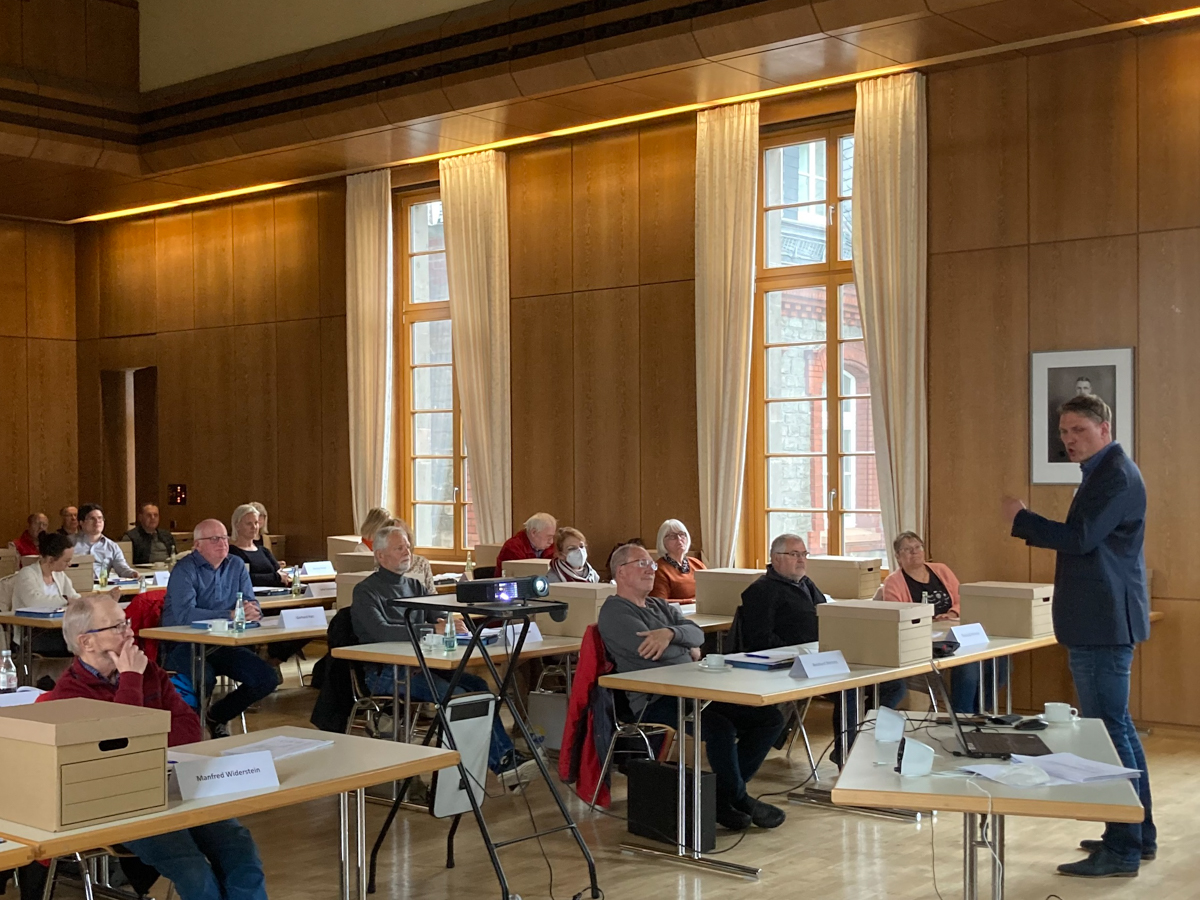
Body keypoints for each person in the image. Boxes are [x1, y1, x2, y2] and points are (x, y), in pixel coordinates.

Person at [1004, 393, 1155, 878]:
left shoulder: (1114, 475)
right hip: (1101, 617)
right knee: (1117, 728)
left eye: (1079, 431)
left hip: (1103, 621)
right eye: (1065, 432)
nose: (1070, 440)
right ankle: (1134, 832)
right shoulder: (1103, 472)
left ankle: (1125, 846)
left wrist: (1023, 520)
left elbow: (1082, 538)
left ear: (1104, 429)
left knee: (1109, 731)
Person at [40, 595, 267, 900]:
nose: (130, 632)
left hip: (175, 784)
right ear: (87, 642)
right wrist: (131, 682)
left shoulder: (149, 672)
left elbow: (188, 729)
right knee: (194, 872)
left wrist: (146, 739)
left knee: (240, 850)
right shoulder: (69, 695)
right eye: (118, 626)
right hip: (121, 803)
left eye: (127, 623)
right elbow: (121, 751)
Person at [598, 542, 786, 831]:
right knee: (719, 728)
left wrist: (670, 633)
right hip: (654, 699)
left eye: (651, 563)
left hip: (694, 688)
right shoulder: (614, 612)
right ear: (621, 572)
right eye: (642, 563)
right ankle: (739, 798)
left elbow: (697, 635)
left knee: (769, 719)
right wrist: (682, 647)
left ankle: (721, 797)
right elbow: (648, 650)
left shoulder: (660, 605)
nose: (651, 569)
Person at [351, 526, 534, 787]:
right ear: (380, 556)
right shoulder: (366, 591)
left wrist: (449, 623)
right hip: (387, 673)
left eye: (408, 547)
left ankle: (502, 757)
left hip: (425, 665)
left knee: (481, 689)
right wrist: (431, 628)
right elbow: (380, 630)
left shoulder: (414, 585)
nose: (407, 552)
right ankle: (502, 760)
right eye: (399, 548)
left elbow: (436, 615)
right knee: (456, 696)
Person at [740, 534, 902, 760]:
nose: (801, 560)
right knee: (849, 690)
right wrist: (802, 650)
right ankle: (847, 755)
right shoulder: (761, 591)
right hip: (790, 664)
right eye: (794, 554)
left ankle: (857, 741)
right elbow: (760, 640)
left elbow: (827, 617)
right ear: (776, 558)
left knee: (894, 684)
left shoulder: (805, 583)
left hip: (821, 656)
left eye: (804, 554)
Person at [161, 519, 277, 738]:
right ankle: (189, 732)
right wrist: (230, 614)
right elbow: (185, 614)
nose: (222, 543)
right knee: (203, 678)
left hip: (222, 642)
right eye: (214, 539)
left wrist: (252, 612)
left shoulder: (236, 565)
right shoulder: (184, 570)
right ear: (197, 545)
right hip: (184, 643)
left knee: (266, 678)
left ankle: (217, 716)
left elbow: (252, 604)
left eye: (224, 537)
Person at [879, 531, 1002, 714]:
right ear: (898, 556)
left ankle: (978, 712)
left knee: (1000, 662)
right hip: (924, 640)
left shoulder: (941, 570)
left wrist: (953, 612)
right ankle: (962, 715)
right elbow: (898, 615)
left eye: (917, 547)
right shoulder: (893, 582)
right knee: (968, 665)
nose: (914, 552)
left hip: (955, 630)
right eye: (907, 549)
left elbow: (963, 599)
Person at [228, 504, 292, 588]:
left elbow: (281, 574)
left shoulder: (264, 551)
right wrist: (275, 577)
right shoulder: (232, 553)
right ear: (237, 526)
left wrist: (277, 577)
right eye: (249, 524)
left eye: (256, 523)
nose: (254, 527)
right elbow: (245, 578)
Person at [72, 504, 137, 580]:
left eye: (100, 518)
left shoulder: (112, 546)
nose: (97, 522)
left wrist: (133, 573)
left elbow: (122, 567)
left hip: (103, 586)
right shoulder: (69, 543)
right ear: (81, 522)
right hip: (76, 586)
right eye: (92, 518)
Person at [651, 519, 706, 602]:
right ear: (662, 541)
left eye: (682, 534)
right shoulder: (659, 569)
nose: (679, 539)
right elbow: (659, 602)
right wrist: (690, 601)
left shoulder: (697, 563)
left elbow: (711, 590)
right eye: (672, 536)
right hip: (678, 613)